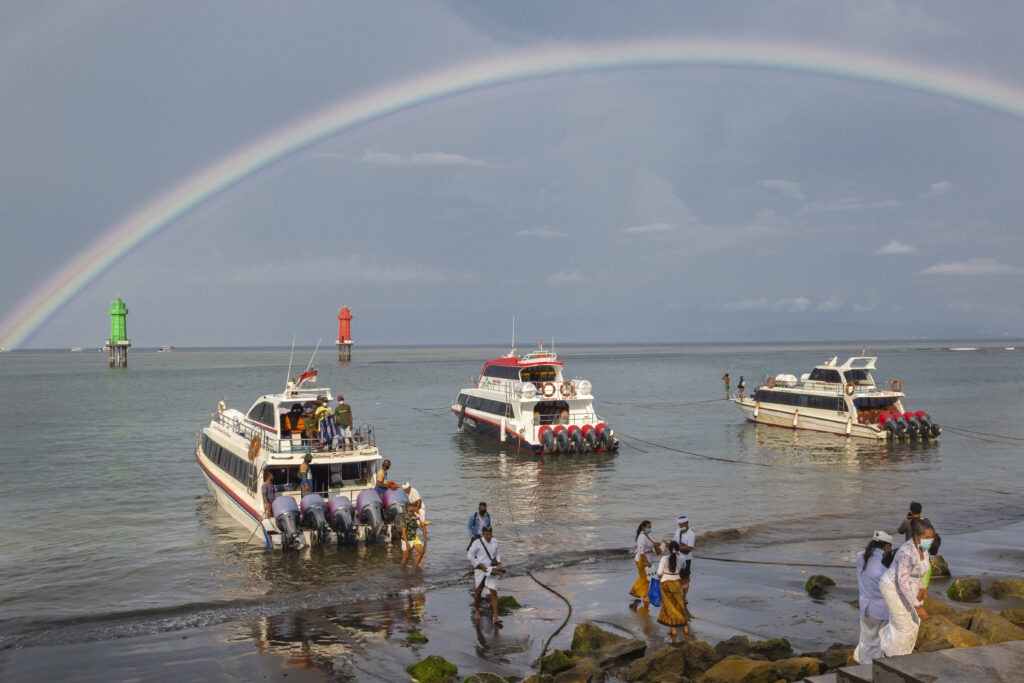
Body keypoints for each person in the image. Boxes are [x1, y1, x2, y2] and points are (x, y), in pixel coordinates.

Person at [879, 518, 935, 657]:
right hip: (892, 587)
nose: (930, 540)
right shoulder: (906, 552)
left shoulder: (924, 548)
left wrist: (922, 589)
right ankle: (890, 656)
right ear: (917, 536)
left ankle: (903, 655)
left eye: (932, 537)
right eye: (927, 537)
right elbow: (902, 581)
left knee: (915, 623)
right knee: (904, 627)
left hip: (910, 587)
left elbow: (925, 568)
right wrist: (918, 606)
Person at [853, 530, 894, 665]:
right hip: (881, 610)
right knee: (879, 642)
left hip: (865, 607)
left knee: (866, 639)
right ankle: (874, 670)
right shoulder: (887, 564)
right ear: (887, 546)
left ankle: (863, 666)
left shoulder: (861, 557)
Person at [467, 525, 504, 622]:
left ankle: (495, 616)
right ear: (483, 534)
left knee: (493, 592)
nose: (488, 536)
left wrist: (499, 563)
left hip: (492, 569)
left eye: (490, 534)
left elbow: (498, 553)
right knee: (478, 592)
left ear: (492, 533)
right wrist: (479, 565)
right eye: (486, 534)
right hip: (480, 569)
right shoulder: (477, 543)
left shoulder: (495, 541)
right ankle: (477, 611)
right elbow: (470, 556)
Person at [655, 540, 689, 638]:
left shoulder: (664, 558)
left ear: (668, 549)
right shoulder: (682, 559)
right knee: (679, 604)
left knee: (669, 606)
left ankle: (673, 630)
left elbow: (659, 572)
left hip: (666, 583)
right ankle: (685, 627)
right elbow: (684, 567)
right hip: (677, 583)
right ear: (678, 549)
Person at [629, 520, 661, 605]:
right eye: (648, 527)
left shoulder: (645, 535)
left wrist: (655, 544)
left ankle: (635, 591)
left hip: (646, 559)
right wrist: (646, 561)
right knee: (646, 578)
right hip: (642, 559)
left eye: (650, 527)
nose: (649, 529)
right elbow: (641, 551)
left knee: (644, 577)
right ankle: (643, 595)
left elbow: (648, 546)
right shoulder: (642, 537)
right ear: (643, 527)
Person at [672, 516, 696, 604]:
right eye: (679, 524)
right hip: (677, 558)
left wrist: (677, 547)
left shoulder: (691, 534)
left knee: (685, 578)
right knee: (676, 577)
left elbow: (689, 548)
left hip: (686, 559)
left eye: (681, 524)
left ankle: (684, 597)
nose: (680, 526)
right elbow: (674, 542)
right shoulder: (678, 531)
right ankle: (677, 595)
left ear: (686, 523)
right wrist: (673, 550)